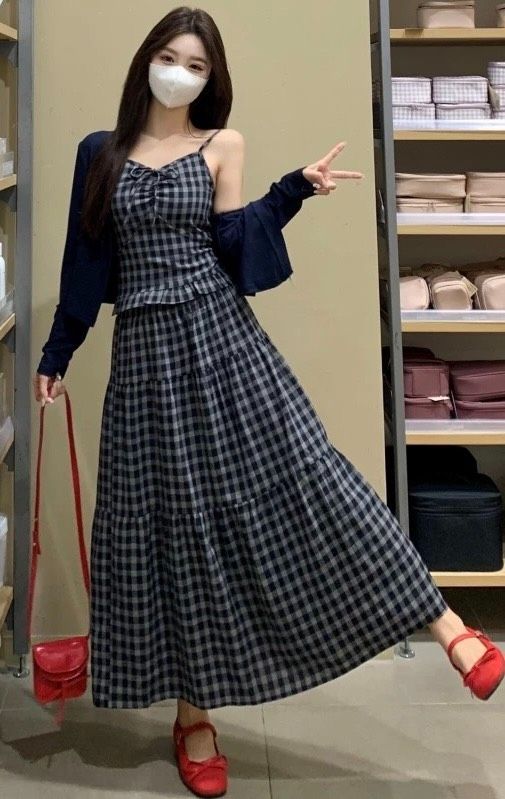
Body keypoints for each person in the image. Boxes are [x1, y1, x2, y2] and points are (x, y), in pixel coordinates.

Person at [33, 7, 505, 798]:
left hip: (223, 341)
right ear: (146, 60)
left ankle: (449, 625)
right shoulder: (100, 153)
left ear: (211, 79)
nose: (180, 73)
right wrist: (57, 353)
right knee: (174, 528)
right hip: (144, 359)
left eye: (197, 65)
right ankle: (194, 717)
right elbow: (83, 264)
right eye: (170, 56)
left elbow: (231, 243)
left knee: (315, 479)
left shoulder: (222, 144)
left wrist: (292, 191)